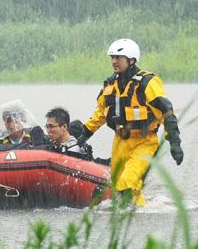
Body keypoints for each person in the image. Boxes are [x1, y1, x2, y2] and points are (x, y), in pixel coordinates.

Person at [76, 38, 184, 206]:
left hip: (144, 141)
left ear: (131, 59)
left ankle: (137, 214)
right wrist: (85, 134)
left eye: (118, 57)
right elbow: (100, 114)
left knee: (128, 183)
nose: (114, 61)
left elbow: (167, 113)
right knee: (120, 189)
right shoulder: (110, 84)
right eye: (112, 57)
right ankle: (140, 213)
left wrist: (175, 142)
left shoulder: (147, 83)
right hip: (120, 142)